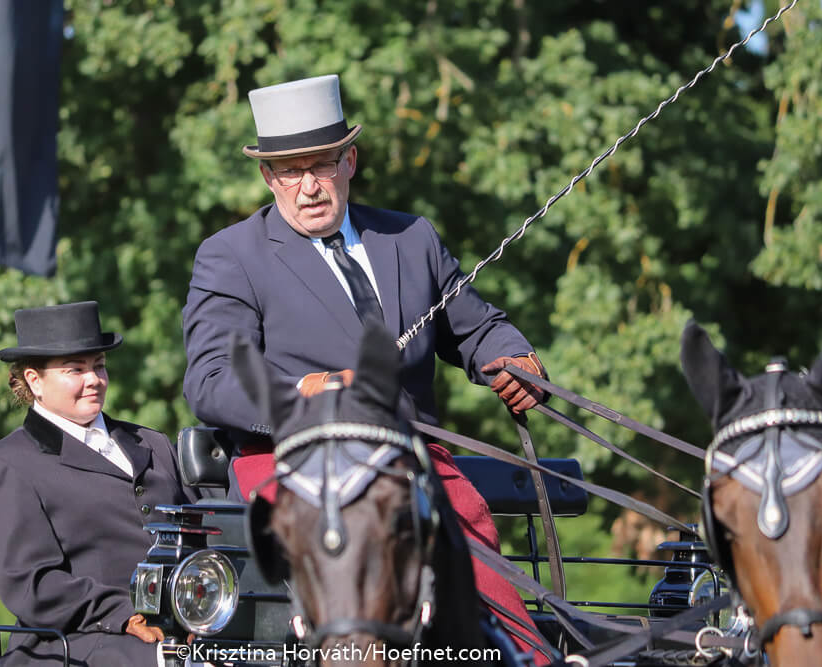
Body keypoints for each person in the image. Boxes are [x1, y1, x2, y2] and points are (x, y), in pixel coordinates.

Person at [182, 75, 550, 661]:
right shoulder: (231, 256)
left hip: (410, 466)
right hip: (298, 468)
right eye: (289, 172)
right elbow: (211, 381)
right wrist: (312, 390)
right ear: (268, 177)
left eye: (321, 166)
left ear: (349, 161)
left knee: (502, 618)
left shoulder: (410, 237)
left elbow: (475, 327)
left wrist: (511, 358)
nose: (308, 187)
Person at [0, 301, 196, 666]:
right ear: (34, 380)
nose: (94, 379)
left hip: (184, 630)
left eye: (99, 365)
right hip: (77, 644)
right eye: (75, 369)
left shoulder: (153, 443)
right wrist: (124, 614)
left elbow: (198, 537)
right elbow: (32, 584)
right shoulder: (4, 466)